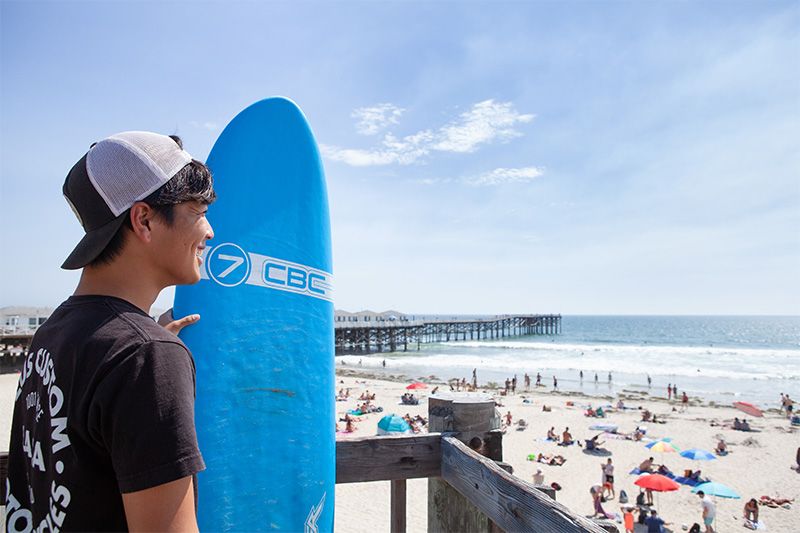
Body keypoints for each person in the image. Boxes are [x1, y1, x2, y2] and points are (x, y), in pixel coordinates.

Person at [4, 132, 215, 531]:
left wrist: (146, 345)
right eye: (197, 211)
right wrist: (152, 356)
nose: (209, 231)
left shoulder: (53, 333)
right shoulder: (145, 357)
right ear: (144, 220)